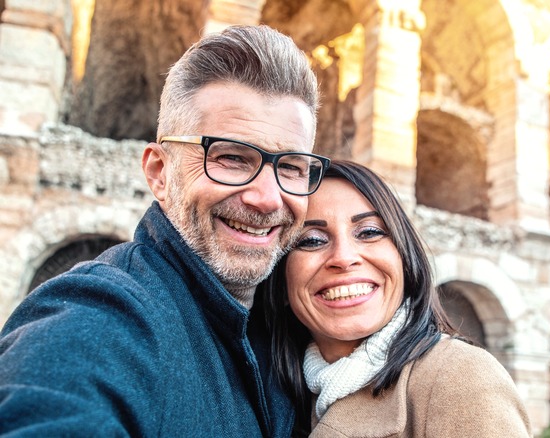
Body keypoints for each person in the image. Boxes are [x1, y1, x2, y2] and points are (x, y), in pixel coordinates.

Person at [0, 25, 329, 436]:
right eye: (230, 158)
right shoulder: (103, 318)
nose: (267, 197)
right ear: (159, 172)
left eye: (291, 167)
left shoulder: (301, 336)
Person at [259, 161, 533, 437]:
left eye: (369, 232)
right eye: (312, 240)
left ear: (404, 258)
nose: (343, 258)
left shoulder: (461, 378)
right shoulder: (271, 393)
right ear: (280, 280)